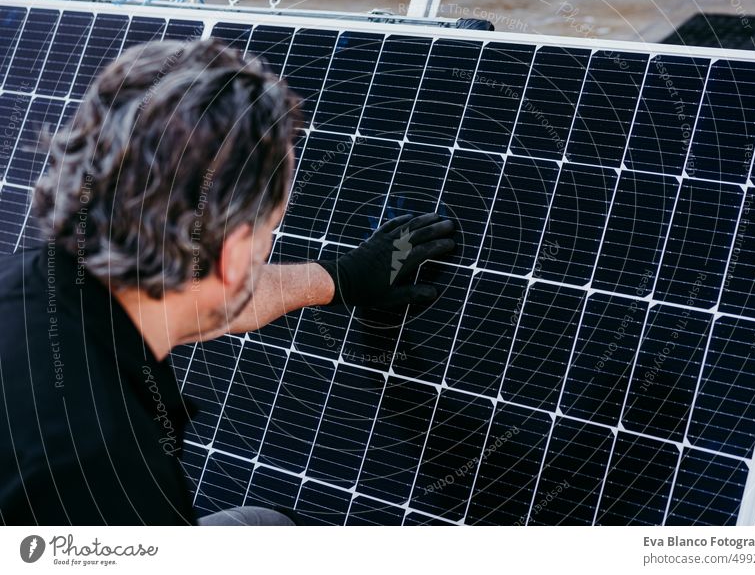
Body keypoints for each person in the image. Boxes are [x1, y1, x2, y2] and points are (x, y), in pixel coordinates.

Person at [0, 38, 455, 525]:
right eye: (267, 233)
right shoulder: (109, 478)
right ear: (236, 254)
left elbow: (194, 294)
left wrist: (339, 279)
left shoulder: (38, 280)